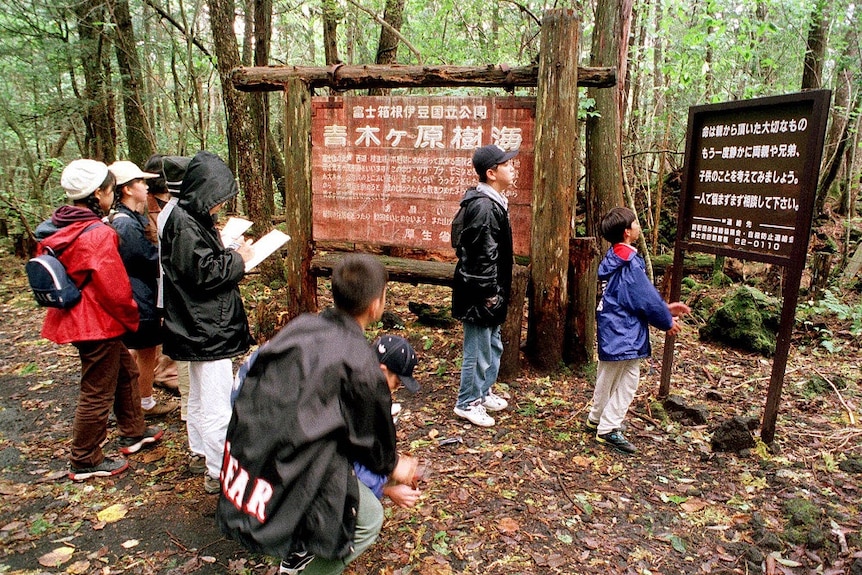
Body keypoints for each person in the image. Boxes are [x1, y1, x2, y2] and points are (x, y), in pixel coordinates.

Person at [217, 254, 421, 575]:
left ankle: (296, 549)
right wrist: (396, 465)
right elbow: (371, 442)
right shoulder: (361, 364)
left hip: (250, 456)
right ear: (376, 305)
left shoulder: (302, 326)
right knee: (367, 521)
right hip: (291, 468)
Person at [36, 159, 163, 481]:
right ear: (99, 193)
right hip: (96, 322)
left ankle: (133, 431)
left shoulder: (60, 224)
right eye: (108, 189)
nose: (110, 195)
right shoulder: (97, 233)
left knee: (126, 372)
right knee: (97, 390)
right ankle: (85, 458)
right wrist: (131, 316)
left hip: (79, 317)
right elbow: (115, 288)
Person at [159, 150, 254, 493]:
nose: (219, 206)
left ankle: (201, 452)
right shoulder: (184, 223)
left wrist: (226, 248)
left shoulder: (187, 217)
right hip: (206, 327)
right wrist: (239, 259)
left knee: (200, 397)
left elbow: (198, 262)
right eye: (218, 198)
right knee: (216, 405)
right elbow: (205, 274)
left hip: (196, 325)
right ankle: (220, 471)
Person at [587, 207, 691, 454]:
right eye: (635, 223)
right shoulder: (630, 263)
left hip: (612, 324)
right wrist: (666, 319)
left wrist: (665, 308)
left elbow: (630, 295)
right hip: (624, 328)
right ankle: (609, 428)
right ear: (627, 232)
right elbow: (643, 297)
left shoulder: (614, 257)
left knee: (608, 373)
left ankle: (596, 418)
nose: (638, 226)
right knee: (629, 378)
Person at [451, 144, 517, 427]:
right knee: (477, 351)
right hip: (480, 292)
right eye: (507, 164)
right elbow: (479, 256)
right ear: (491, 173)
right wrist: (489, 293)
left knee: (492, 345)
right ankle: (467, 402)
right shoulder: (483, 207)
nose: (512, 168)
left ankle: (483, 392)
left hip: (490, 291)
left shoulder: (493, 202)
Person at [107, 160, 179, 418]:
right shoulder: (125, 223)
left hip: (139, 295)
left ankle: (136, 403)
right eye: (140, 182)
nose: (146, 186)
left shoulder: (127, 218)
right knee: (145, 351)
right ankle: (140, 405)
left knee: (143, 352)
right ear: (126, 189)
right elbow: (147, 259)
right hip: (139, 298)